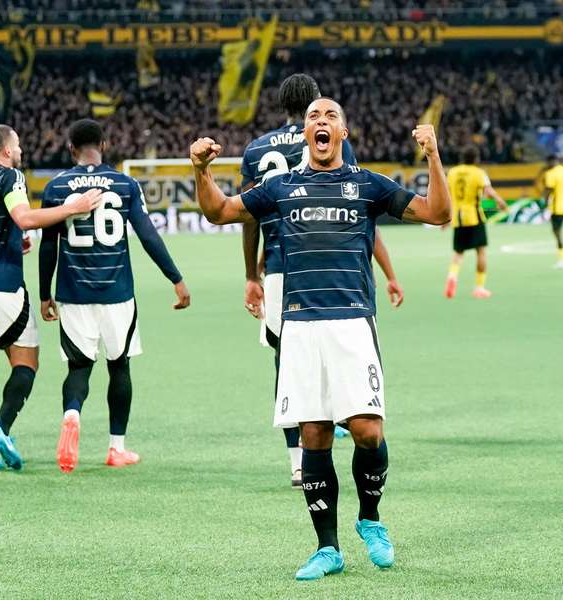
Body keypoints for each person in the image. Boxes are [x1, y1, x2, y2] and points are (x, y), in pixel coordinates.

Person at [190, 98, 450, 580]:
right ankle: (327, 548)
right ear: (305, 133)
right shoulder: (280, 187)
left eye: (331, 117)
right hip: (300, 324)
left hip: (352, 322)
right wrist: (201, 171)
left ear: (344, 133)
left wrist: (433, 156)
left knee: (368, 429)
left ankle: (370, 519)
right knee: (314, 433)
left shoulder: (367, 185)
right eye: (314, 117)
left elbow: (437, 212)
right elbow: (220, 212)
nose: (322, 122)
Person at [240, 74, 404, 489]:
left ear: (281, 104)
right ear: (313, 106)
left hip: (279, 268)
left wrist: (251, 274)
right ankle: (340, 416)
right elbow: (356, 212)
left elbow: (248, 216)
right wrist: (389, 273)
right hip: (327, 268)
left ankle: (297, 459)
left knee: (288, 366)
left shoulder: (257, 149)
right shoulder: (333, 139)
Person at [39, 119, 191, 473]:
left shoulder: (57, 187)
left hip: (73, 292)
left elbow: (49, 244)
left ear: (71, 149)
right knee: (119, 365)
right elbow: (147, 235)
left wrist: (45, 293)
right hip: (117, 292)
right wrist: (176, 278)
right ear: (104, 145)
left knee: (78, 367)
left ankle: (72, 413)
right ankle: (116, 448)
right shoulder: (124, 183)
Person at [0, 124, 102, 472]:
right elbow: (24, 216)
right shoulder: (10, 177)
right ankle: (1, 429)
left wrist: (11, 240)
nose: (20, 150)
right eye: (16, 144)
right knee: (25, 363)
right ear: (5, 150)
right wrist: (72, 208)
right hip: (1, 285)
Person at [444, 146, 507, 300]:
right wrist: (500, 202)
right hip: (474, 217)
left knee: (458, 253)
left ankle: (452, 276)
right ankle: (479, 287)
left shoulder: (452, 172)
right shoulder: (479, 173)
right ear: (476, 159)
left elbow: (447, 194)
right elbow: (489, 191)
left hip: (458, 218)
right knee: (481, 251)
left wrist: (445, 217)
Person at [542, 154, 563, 269]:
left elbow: (548, 190)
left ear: (550, 162)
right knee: (557, 231)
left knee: (557, 232)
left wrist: (545, 205)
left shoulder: (551, 174)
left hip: (556, 207)